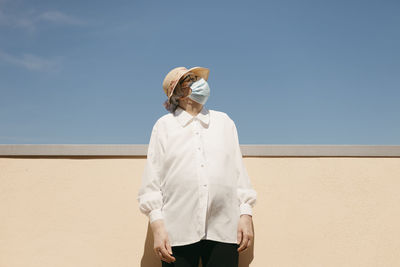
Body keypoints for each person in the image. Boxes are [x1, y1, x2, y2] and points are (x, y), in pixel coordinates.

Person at [137, 66, 257, 267]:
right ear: (178, 93)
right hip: (177, 231)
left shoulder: (224, 122)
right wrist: (157, 227)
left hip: (224, 228)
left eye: (196, 78)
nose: (199, 83)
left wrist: (245, 214)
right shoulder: (164, 126)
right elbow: (152, 180)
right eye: (190, 80)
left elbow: (238, 171)